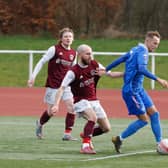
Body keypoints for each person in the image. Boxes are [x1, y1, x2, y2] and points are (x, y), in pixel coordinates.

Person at [51, 44, 123, 154]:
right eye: (88, 54)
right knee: (92, 117)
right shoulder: (73, 71)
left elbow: (111, 74)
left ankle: (86, 133)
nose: (91, 56)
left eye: (91, 53)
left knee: (106, 128)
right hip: (80, 101)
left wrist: (127, 74)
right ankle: (85, 146)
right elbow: (61, 88)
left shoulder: (95, 64)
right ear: (79, 55)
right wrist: (56, 104)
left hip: (94, 100)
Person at [105, 31, 168, 153]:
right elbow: (141, 68)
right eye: (154, 43)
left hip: (139, 89)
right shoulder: (143, 52)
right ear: (148, 40)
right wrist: (158, 79)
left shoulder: (135, 49)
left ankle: (159, 142)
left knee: (154, 114)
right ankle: (118, 138)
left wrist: (106, 69)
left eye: (157, 44)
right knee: (144, 120)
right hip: (131, 91)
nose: (156, 46)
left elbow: (121, 59)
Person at [27, 27, 77, 141]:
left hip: (66, 86)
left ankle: (67, 134)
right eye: (65, 36)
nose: (68, 38)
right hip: (53, 85)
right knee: (51, 112)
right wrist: (33, 76)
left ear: (73, 39)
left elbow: (74, 70)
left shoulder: (74, 53)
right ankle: (39, 123)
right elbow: (42, 62)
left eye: (70, 36)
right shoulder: (54, 49)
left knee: (72, 107)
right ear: (61, 38)